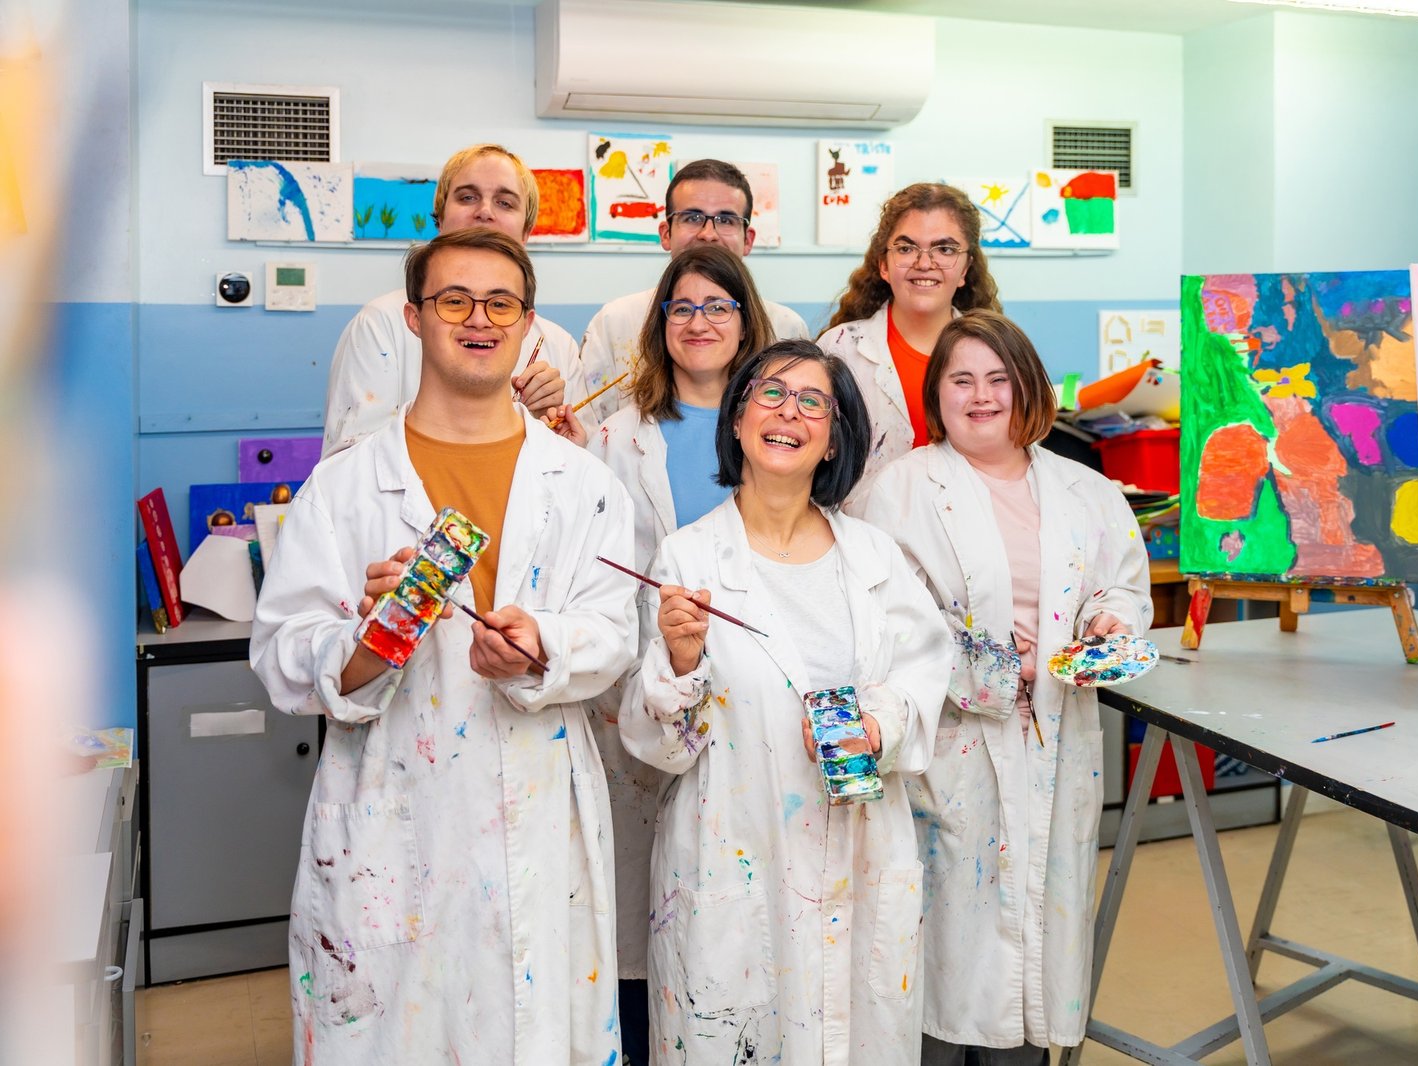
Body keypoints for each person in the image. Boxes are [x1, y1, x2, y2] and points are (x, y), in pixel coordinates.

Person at [252, 227, 639, 1064]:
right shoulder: (347, 484)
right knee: (395, 1030)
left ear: (529, 325)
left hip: (539, 807)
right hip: (393, 809)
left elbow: (615, 631)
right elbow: (282, 652)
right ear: (415, 317)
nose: (478, 319)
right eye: (453, 299)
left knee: (534, 1030)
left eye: (501, 302)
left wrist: (544, 647)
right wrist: (371, 639)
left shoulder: (584, 484)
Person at [619, 339, 951, 1065]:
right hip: (734, 853)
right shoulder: (690, 558)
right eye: (769, 394)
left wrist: (878, 726)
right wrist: (678, 661)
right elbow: (657, 745)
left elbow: (925, 670)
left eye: (812, 402)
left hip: (861, 849)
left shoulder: (872, 555)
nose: (788, 413)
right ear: (737, 419)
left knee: (852, 1032)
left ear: (833, 438)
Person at [851, 311, 1153, 1065]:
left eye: (998, 378)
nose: (981, 396)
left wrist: (1108, 623)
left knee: (1037, 952)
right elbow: (879, 626)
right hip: (951, 754)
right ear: (937, 394)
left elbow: (1122, 588)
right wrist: (992, 667)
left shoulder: (1086, 491)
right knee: (945, 955)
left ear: (1026, 388)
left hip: (1057, 741)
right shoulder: (900, 489)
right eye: (961, 380)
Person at [581, 241, 774, 1066]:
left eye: (718, 306)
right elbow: (592, 563)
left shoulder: (778, 418)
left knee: (746, 897)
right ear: (659, 324)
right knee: (638, 903)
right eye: (682, 307)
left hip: (759, 693)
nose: (699, 322)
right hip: (646, 689)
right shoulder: (618, 436)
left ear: (746, 321)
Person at [322, 143, 584, 457]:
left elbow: (583, 466)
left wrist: (544, 428)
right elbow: (350, 466)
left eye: (505, 202)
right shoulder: (380, 325)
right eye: (467, 197)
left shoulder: (558, 345)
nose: (484, 212)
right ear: (440, 221)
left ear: (526, 232)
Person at [574, 158, 810, 427]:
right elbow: (590, 433)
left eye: (726, 219)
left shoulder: (786, 329)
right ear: (665, 233)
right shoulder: (614, 323)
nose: (708, 234)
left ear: (748, 239)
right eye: (692, 217)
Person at [818, 182, 1002, 487]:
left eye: (945, 249)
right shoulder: (840, 350)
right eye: (906, 248)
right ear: (884, 265)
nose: (925, 264)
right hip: (861, 528)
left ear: (966, 268)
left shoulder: (996, 353)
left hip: (966, 525)